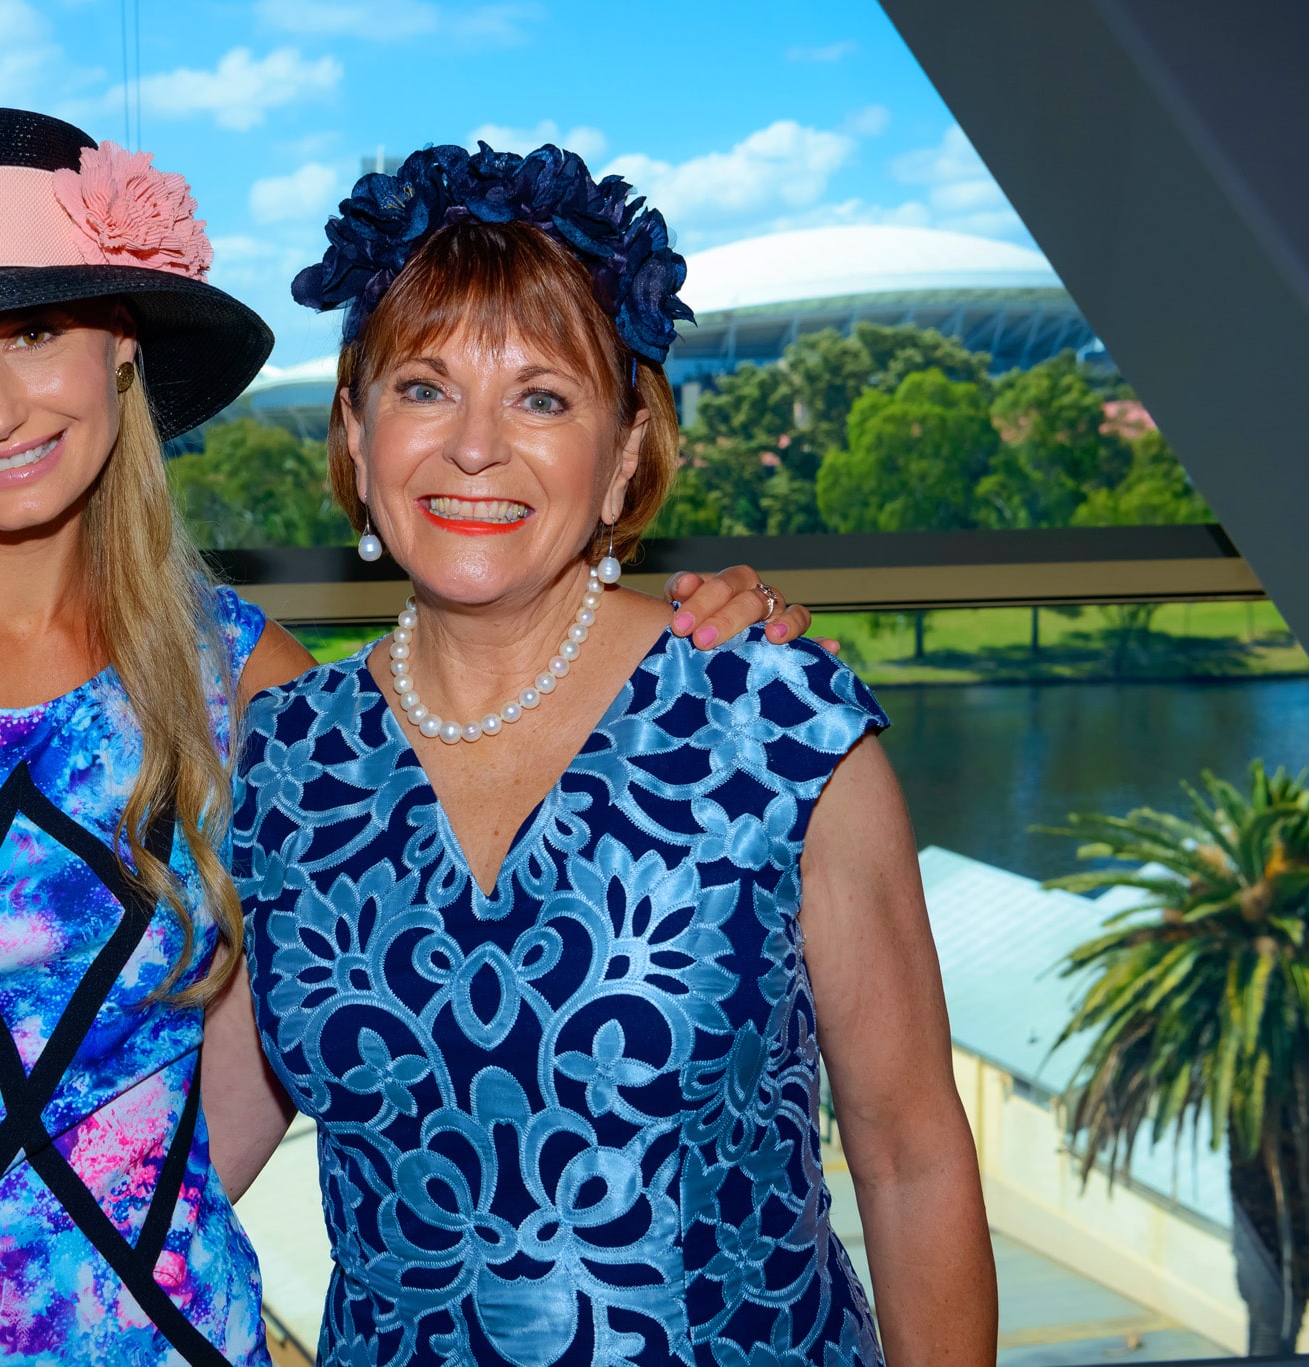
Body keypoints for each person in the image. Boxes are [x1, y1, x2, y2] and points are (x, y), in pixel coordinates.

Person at [0, 108, 812, 1367]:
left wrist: (698, 649)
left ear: (122, 348)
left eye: (35, 331)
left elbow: (494, 940)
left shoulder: (251, 684)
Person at [233, 143, 997, 1367]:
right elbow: (186, 1143)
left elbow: (910, 1156)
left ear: (626, 454)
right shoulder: (280, 759)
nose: (474, 446)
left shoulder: (774, 721)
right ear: (353, 433)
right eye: (424, 388)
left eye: (541, 396)